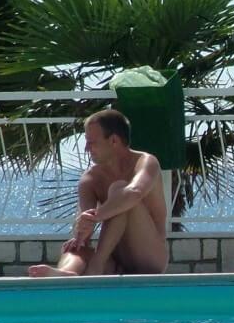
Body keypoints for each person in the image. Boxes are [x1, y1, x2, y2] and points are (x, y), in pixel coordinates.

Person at [28, 108, 169, 277]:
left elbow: (135, 192)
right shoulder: (90, 178)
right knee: (75, 248)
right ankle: (67, 274)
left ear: (114, 141)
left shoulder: (145, 162)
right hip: (115, 261)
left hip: (148, 260)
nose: (87, 148)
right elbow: (85, 219)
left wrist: (97, 216)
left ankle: (97, 264)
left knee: (120, 191)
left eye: (91, 142)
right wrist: (80, 235)